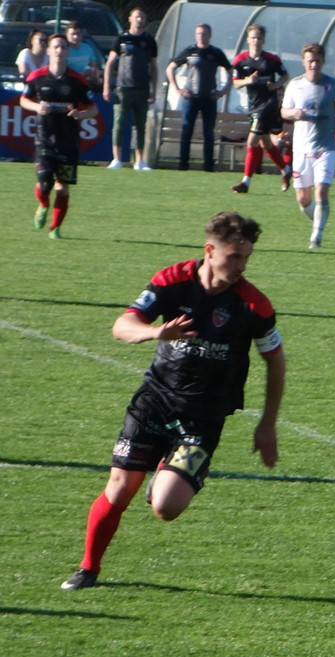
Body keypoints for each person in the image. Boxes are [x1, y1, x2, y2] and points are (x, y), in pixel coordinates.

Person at [59, 211, 286, 591]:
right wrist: (155, 332)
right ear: (209, 250)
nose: (241, 266)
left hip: (203, 417)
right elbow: (122, 326)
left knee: (166, 507)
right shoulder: (173, 280)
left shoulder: (253, 305)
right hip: (154, 402)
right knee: (119, 488)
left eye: (246, 257)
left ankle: (170, 469)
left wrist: (267, 425)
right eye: (234, 257)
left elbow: (275, 362)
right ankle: (88, 569)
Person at [20, 33, 98, 240]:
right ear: (48, 51)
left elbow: (94, 109)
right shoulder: (36, 77)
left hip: (68, 140)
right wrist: (37, 107)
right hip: (44, 137)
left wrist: (81, 114)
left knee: (62, 188)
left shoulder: (77, 80)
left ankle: (55, 228)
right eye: (55, 47)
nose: (59, 51)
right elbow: (23, 100)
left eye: (63, 47)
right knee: (44, 183)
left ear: (67, 52)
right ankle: (43, 204)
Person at [281, 42, 335, 250]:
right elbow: (283, 111)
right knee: (303, 199)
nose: (314, 65)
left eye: (317, 61)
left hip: (326, 148)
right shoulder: (295, 85)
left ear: (323, 62)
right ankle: (320, 219)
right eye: (310, 61)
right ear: (303, 62)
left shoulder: (333, 85)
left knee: (321, 192)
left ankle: (316, 238)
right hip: (301, 149)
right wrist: (294, 113)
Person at [230, 24, 291, 193]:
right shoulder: (240, 60)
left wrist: (276, 85)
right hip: (253, 105)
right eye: (253, 37)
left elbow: (285, 75)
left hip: (268, 105)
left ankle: (246, 182)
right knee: (266, 142)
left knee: (252, 141)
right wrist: (247, 81)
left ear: (263, 40)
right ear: (248, 39)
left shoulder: (271, 60)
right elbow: (235, 83)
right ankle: (286, 170)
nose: (256, 41)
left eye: (259, 38)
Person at [166, 24, 232, 172]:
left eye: (204, 33)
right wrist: (177, 89)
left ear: (210, 35)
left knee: (208, 132)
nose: (201, 36)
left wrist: (223, 91)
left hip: (209, 98)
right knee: (186, 131)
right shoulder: (190, 51)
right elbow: (170, 68)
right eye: (198, 33)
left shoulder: (215, 53)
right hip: (191, 97)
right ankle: (183, 164)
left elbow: (230, 71)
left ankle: (208, 166)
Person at [104, 8, 158, 171]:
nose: (139, 20)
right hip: (123, 88)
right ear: (130, 19)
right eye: (136, 17)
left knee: (141, 125)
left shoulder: (149, 40)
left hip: (142, 88)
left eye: (142, 17)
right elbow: (110, 63)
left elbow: (154, 67)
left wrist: (154, 89)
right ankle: (117, 159)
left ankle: (140, 161)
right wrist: (107, 86)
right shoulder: (122, 38)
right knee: (119, 124)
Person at [65, 21, 103, 89]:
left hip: (86, 83)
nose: (76, 37)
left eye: (78, 34)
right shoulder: (64, 50)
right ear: (67, 35)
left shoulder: (87, 48)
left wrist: (97, 78)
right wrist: (82, 74)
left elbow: (94, 65)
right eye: (73, 34)